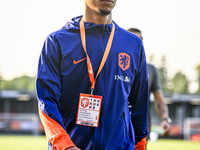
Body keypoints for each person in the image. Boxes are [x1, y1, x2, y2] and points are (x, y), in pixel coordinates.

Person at [36, 1, 149, 150]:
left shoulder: (133, 45)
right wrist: (65, 146)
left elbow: (140, 106)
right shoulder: (57, 42)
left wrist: (139, 146)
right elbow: (46, 102)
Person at [127, 28, 171, 145]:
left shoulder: (150, 69)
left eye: (140, 39)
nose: (137, 42)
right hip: (119, 125)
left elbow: (159, 97)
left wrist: (165, 119)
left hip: (141, 127)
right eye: (133, 39)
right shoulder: (116, 63)